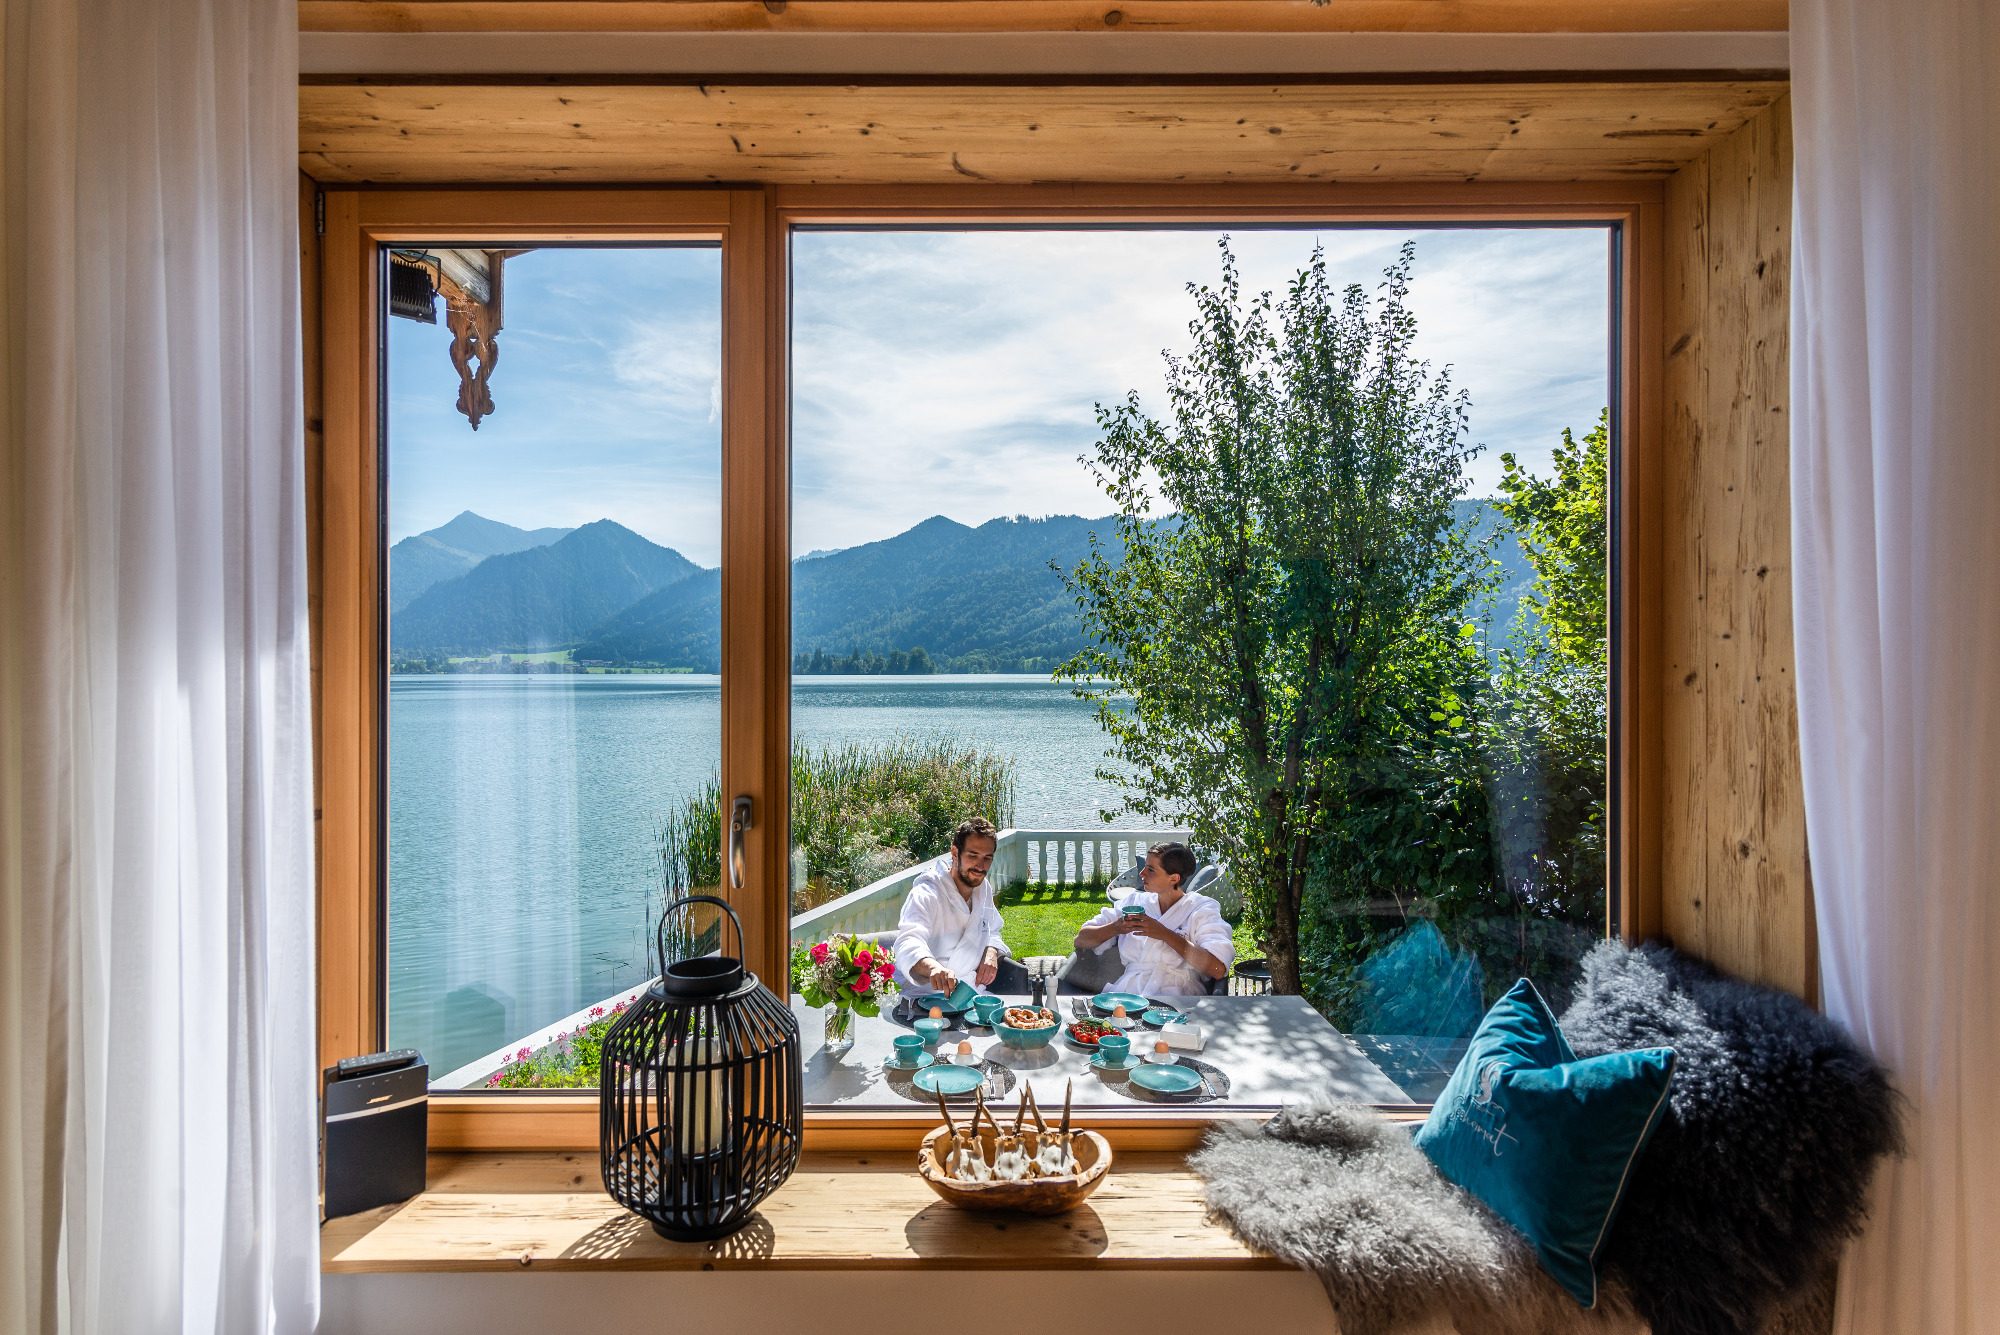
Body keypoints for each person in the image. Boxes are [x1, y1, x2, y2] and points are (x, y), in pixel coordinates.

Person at [1072, 842, 1234, 997]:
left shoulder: (1201, 909)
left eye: (1151, 870)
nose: (1142, 874)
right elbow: (1081, 940)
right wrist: (1116, 927)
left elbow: (1217, 968)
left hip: (1180, 995)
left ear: (1174, 879)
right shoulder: (1133, 902)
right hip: (1130, 992)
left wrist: (1164, 934)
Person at [892, 816, 1012, 997]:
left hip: (969, 992)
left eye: (987, 858)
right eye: (973, 856)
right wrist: (934, 968)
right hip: (924, 996)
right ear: (955, 853)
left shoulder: (982, 888)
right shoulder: (927, 893)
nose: (981, 866)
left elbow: (992, 929)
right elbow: (907, 942)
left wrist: (991, 951)